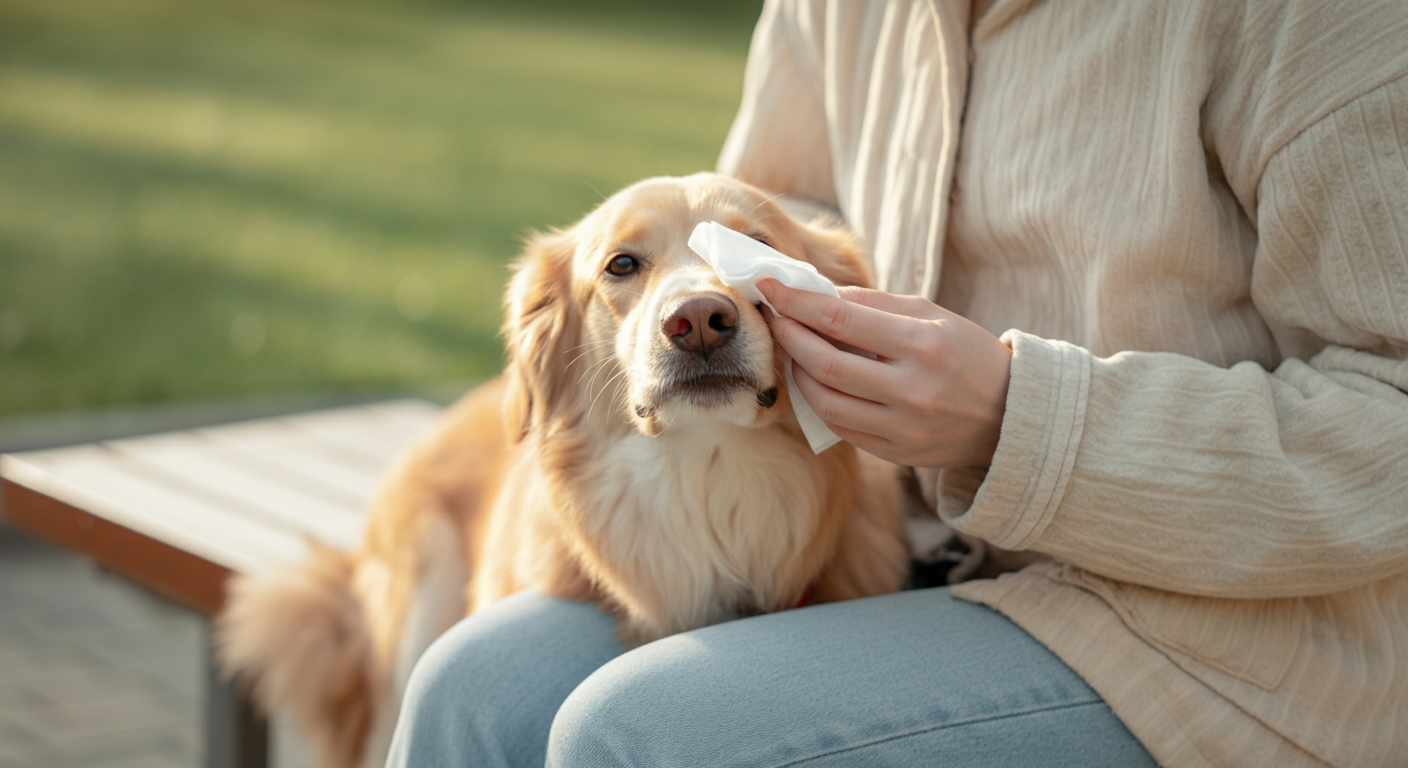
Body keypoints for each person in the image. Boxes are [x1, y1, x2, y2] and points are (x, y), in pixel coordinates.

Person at [386, 0, 1408, 765]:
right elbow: (763, 220)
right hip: (925, 556)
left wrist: (1017, 422)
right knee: (476, 687)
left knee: (641, 734)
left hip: (1234, 642)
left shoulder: (1317, 24)